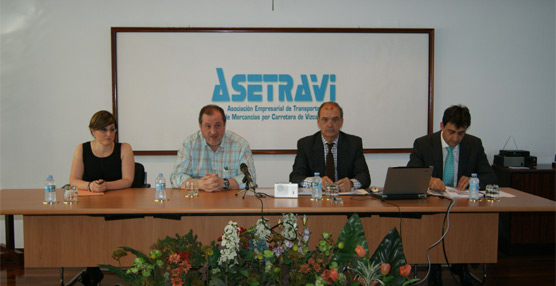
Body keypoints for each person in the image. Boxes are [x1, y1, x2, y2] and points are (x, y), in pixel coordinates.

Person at [407, 104, 497, 286]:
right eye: (451, 132)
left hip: (461, 204)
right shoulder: (423, 144)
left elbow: (490, 176)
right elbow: (411, 173)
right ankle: (435, 269)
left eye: (461, 133)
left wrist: (475, 179)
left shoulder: (474, 144)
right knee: (433, 221)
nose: (455, 138)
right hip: (432, 204)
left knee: (466, 223)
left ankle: (461, 265)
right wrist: (429, 180)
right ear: (442, 125)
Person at [69, 110, 135, 286]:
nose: (109, 134)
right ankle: (92, 267)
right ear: (92, 130)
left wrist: (106, 186)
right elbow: (73, 180)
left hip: (119, 205)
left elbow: (128, 180)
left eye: (112, 129)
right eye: (103, 130)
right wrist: (90, 186)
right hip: (88, 205)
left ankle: (110, 263)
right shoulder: (81, 149)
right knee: (88, 228)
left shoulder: (124, 148)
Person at [170, 104, 256, 192]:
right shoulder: (189, 145)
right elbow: (175, 177)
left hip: (230, 202)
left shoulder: (240, 145)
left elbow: (251, 179)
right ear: (200, 126)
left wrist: (224, 183)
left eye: (217, 125)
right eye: (208, 126)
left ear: (224, 125)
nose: (213, 131)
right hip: (198, 202)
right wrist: (201, 184)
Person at [289, 101, 371, 192]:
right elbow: (295, 177)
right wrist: (315, 182)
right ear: (318, 122)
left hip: (345, 199)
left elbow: (365, 177)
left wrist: (351, 184)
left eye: (335, 120)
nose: (330, 124)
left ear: (341, 122)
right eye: (325, 119)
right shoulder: (306, 144)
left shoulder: (354, 143)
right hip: (317, 199)